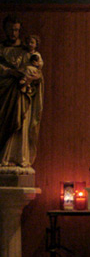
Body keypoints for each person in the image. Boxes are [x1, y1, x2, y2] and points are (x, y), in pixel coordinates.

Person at [0, 16, 44, 169]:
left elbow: (37, 73)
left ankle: (17, 156)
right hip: (3, 95)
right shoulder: (1, 49)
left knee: (20, 123)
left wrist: (32, 78)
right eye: (11, 29)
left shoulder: (26, 52)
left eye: (16, 30)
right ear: (5, 29)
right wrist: (10, 73)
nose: (14, 33)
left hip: (20, 95)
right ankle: (2, 157)